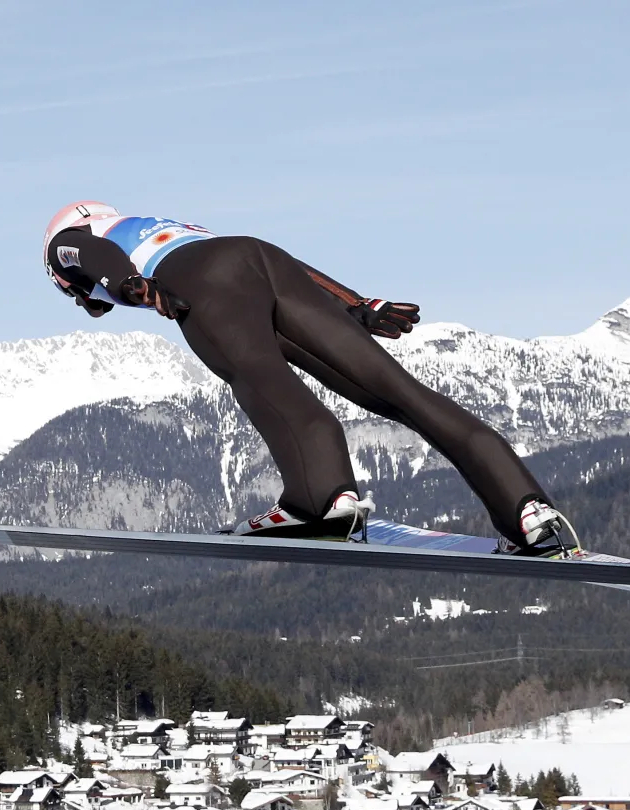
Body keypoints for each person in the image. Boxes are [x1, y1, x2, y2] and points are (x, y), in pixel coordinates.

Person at [41, 200, 575, 549]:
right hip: (262, 259)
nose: (86, 303)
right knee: (400, 392)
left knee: (264, 381)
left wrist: (127, 283)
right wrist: (357, 305)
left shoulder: (69, 239)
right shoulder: (158, 224)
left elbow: (87, 252)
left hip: (201, 281)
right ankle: (526, 509)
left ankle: (320, 503)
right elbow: (279, 267)